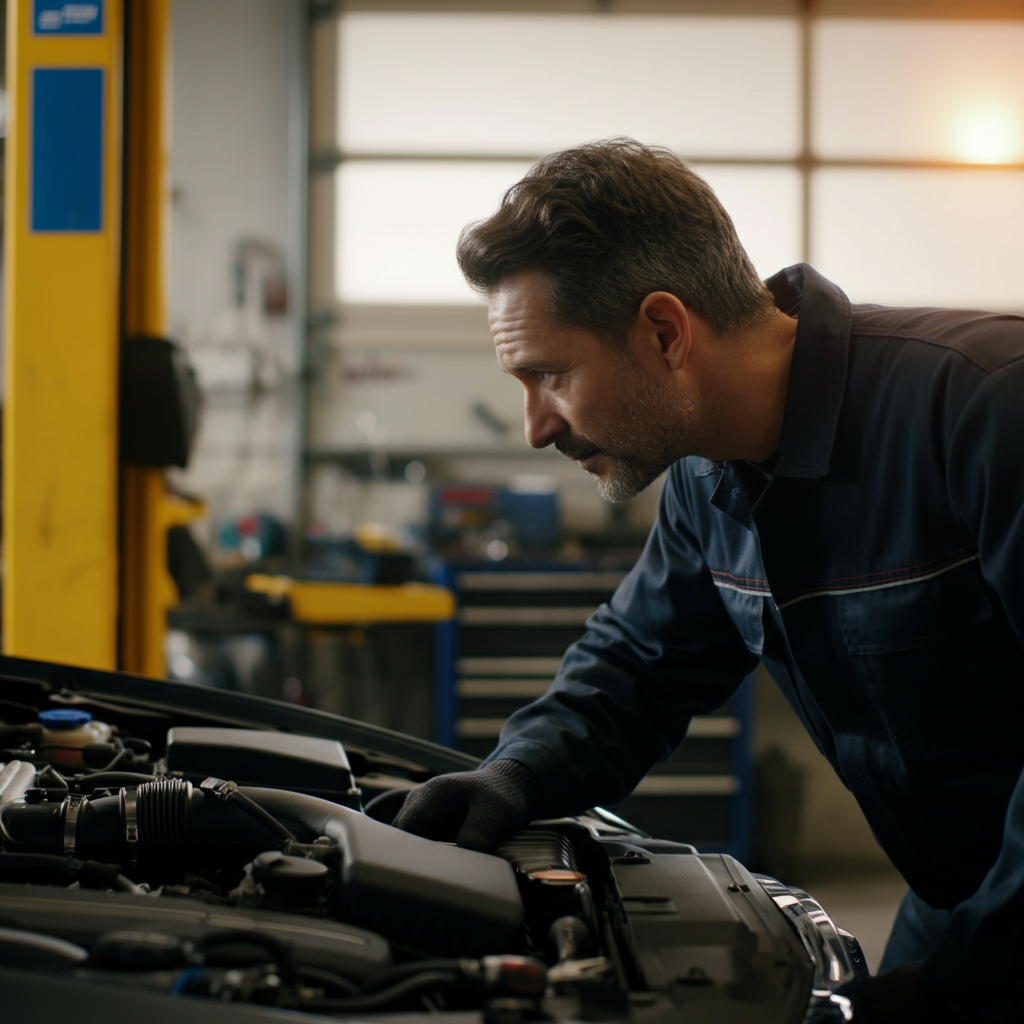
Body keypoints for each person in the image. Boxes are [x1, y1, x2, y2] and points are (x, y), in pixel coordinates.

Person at [392, 139, 1024, 1023]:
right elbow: (639, 662)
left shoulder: (988, 409)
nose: (535, 427)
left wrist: (957, 983)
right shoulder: (707, 477)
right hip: (964, 899)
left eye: (548, 374)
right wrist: (514, 777)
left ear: (663, 331)